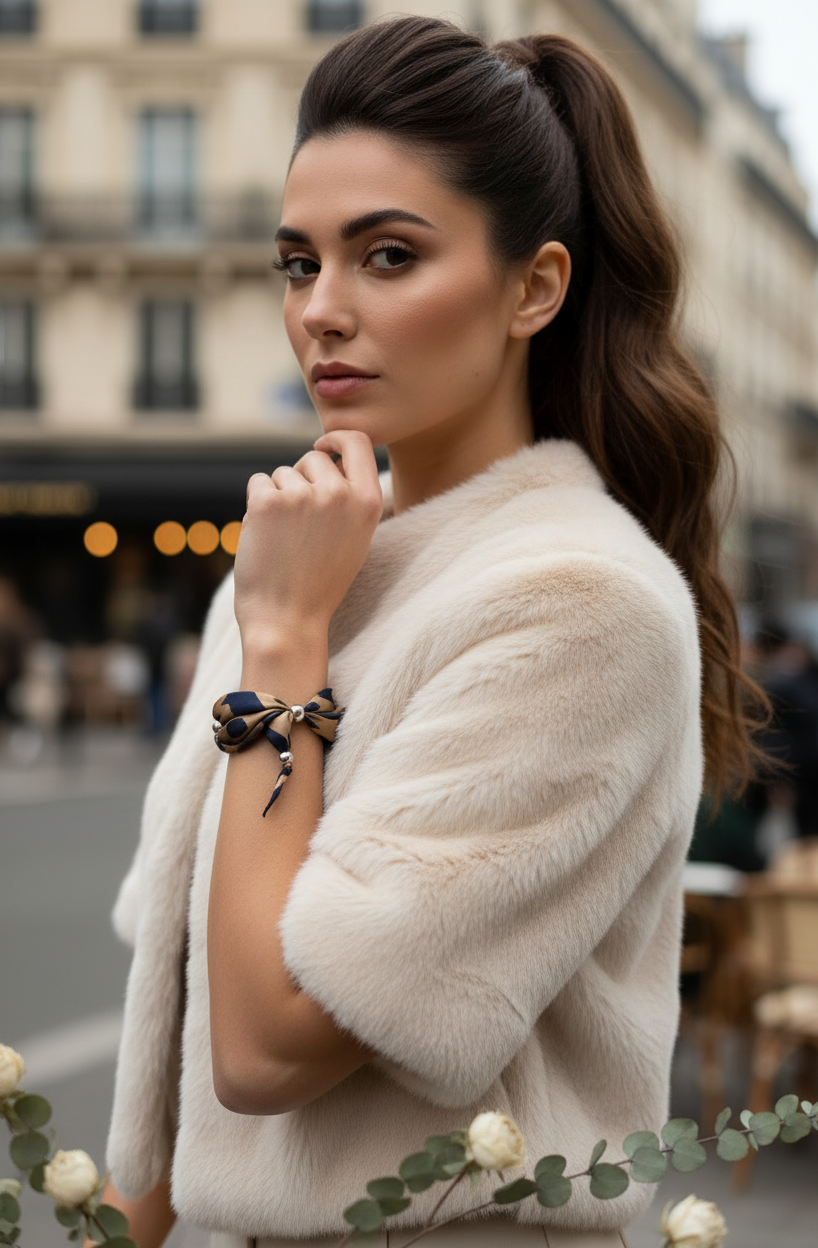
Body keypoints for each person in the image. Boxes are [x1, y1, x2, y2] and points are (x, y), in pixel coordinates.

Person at [98, 16, 767, 1248]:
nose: (322, 312)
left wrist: (286, 645)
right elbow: (178, 1011)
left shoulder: (581, 604)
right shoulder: (298, 565)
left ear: (534, 287)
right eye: (299, 263)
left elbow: (265, 1048)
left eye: (388, 256)